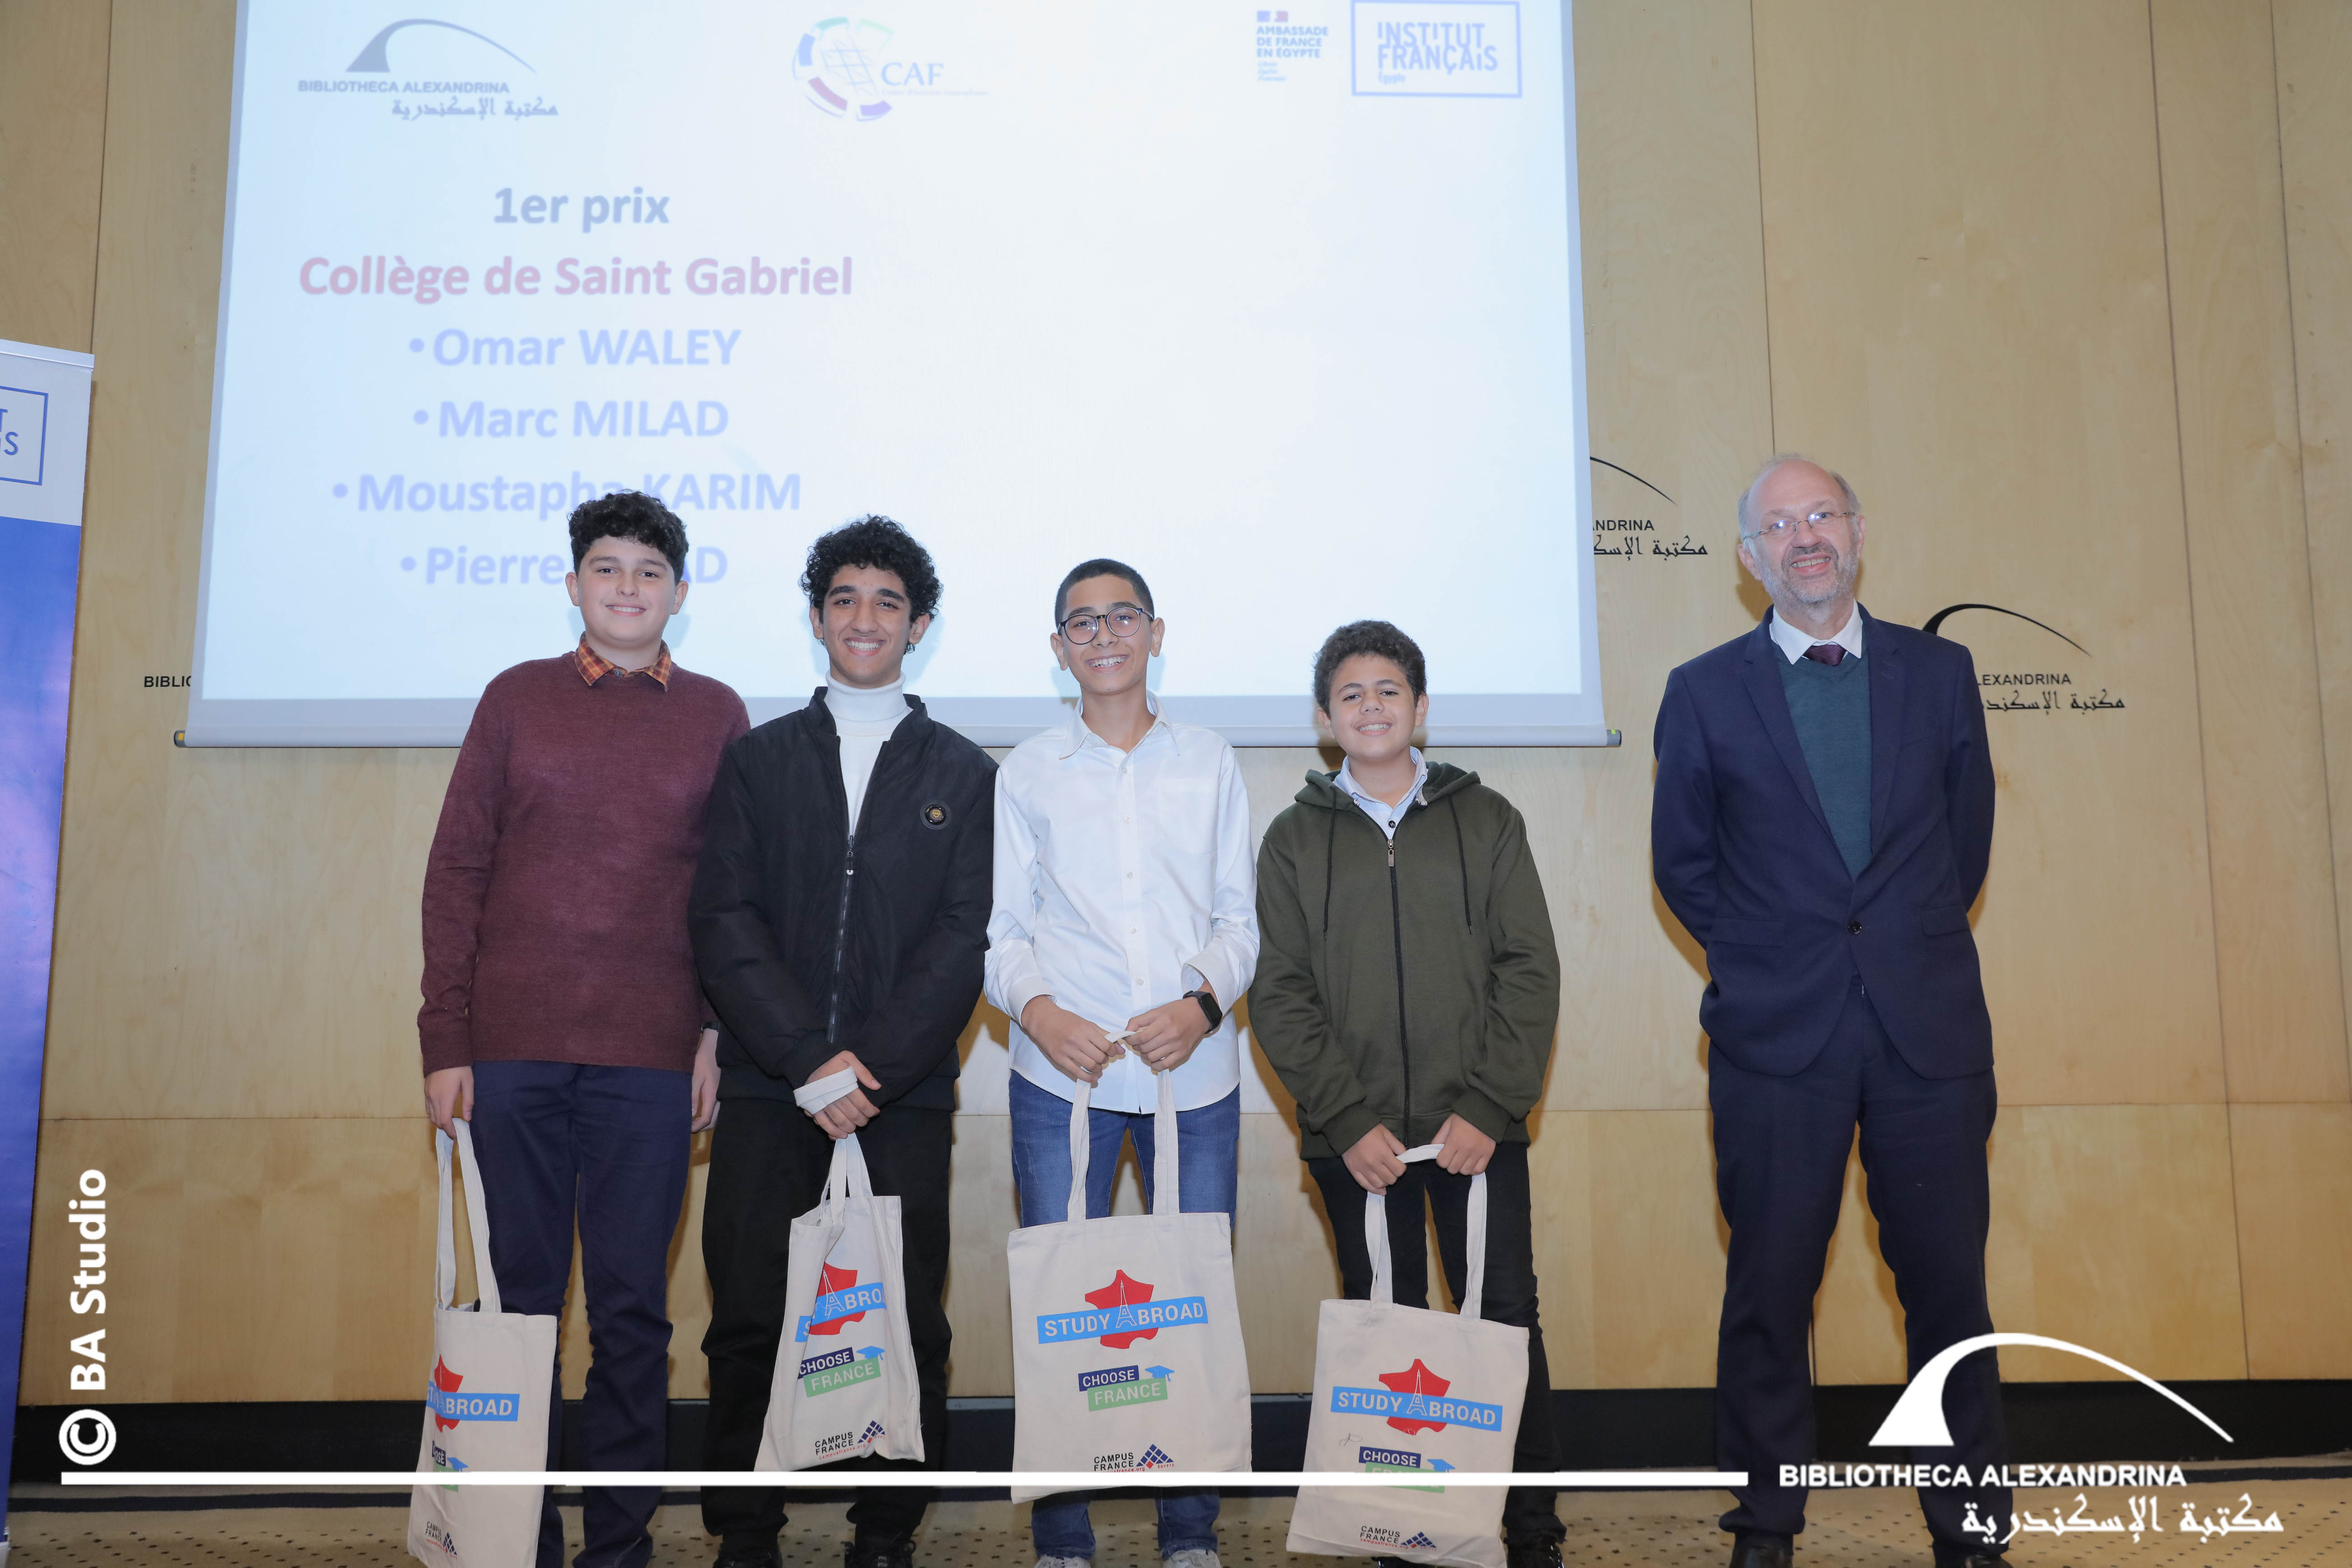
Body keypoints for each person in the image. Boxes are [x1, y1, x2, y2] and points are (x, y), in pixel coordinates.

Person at [1650, 455, 2008, 1568]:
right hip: (1776, 1038)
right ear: (1748, 557)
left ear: (1857, 532)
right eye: (1779, 524)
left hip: (1926, 1035)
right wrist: (1769, 953)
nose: (1804, 537)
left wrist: (1896, 940)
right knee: (1769, 1292)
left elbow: (1965, 839)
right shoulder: (1702, 691)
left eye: (1822, 515)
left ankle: (1971, 1528)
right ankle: (1765, 1525)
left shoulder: (1940, 672)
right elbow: (1684, 865)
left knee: (1950, 1293)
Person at [419, 490, 748, 1568]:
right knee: (519, 1317)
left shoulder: (718, 714)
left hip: (651, 1060)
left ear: (680, 594)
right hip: (509, 1058)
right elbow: (456, 871)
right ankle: (520, 1543)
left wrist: (715, 1036)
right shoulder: (515, 697)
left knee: (632, 1317)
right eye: (607, 568)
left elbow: (733, 893)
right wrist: (445, 1041)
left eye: (649, 572)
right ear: (573, 585)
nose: (627, 587)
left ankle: (619, 1548)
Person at [690, 516, 995, 1568]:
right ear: (818, 617)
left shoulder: (965, 771)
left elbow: (965, 935)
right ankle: (746, 1530)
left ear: (920, 625)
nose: (866, 618)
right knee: (750, 1313)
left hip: (899, 1095)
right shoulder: (757, 759)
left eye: (888, 602)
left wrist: (871, 1068)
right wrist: (805, 1059)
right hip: (771, 1086)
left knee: (904, 1315)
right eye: (845, 598)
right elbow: (723, 917)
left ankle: (886, 1529)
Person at [1251, 620, 1567, 1568]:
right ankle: (1398, 1529)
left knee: (1503, 1320)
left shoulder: (1488, 818)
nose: (1371, 707)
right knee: (1386, 1326)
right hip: (1360, 1144)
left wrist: (1490, 1106)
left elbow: (1529, 968)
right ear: (1325, 719)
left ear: (1420, 708)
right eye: (1350, 694)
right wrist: (1346, 1121)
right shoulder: (1293, 839)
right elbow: (1280, 992)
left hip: (1477, 1132)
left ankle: (1531, 1530)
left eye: (1389, 690)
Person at [984, 558, 1259, 1568]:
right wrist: (1040, 1012)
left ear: (1156, 632)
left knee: (1193, 1303)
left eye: (1122, 617)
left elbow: (1239, 921)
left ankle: (1190, 1532)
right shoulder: (1026, 771)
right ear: (1059, 648)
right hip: (1064, 1078)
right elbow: (1003, 932)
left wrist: (1201, 1004)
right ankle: (1064, 1537)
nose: (1104, 636)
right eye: (1083, 623)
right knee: (1060, 1304)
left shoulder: (1210, 759)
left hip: (1197, 1077)